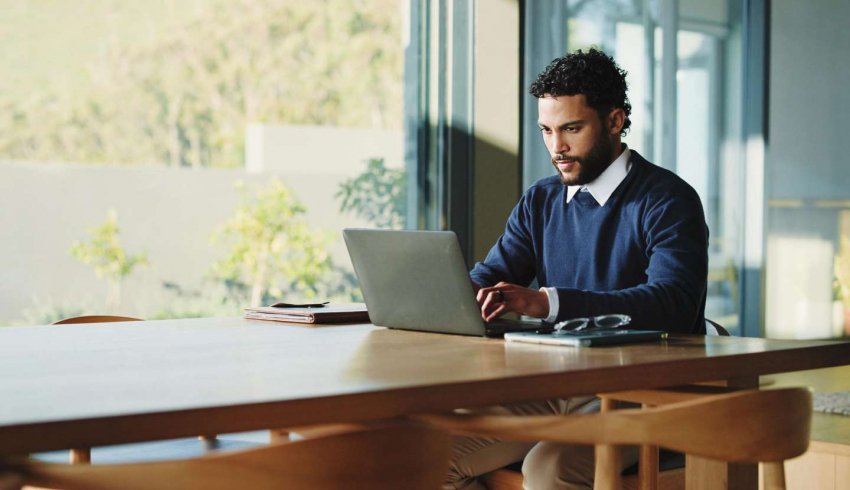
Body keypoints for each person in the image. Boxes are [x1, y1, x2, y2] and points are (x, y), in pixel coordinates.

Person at [446, 48, 709, 489]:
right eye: (546, 131)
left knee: (549, 469)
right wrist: (454, 296)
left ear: (615, 120)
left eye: (571, 128)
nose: (557, 148)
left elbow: (673, 303)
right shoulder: (541, 200)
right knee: (429, 454)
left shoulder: (667, 199)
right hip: (553, 386)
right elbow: (490, 275)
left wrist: (547, 303)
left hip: (644, 394)